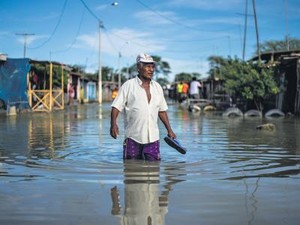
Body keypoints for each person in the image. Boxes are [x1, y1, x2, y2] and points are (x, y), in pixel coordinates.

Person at [110, 53, 176, 161]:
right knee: (130, 168)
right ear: (139, 67)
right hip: (133, 137)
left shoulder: (157, 87)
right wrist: (113, 124)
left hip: (153, 138)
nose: (151, 70)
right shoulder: (128, 85)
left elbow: (162, 111)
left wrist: (170, 130)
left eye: (152, 66)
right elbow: (116, 107)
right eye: (147, 66)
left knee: (154, 168)